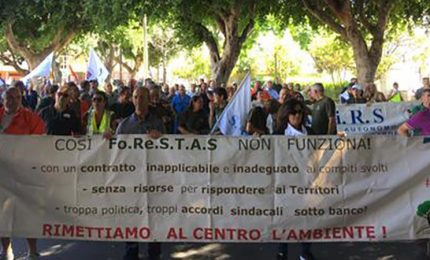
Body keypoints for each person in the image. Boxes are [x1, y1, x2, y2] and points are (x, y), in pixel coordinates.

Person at [116, 87, 164, 260]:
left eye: (142, 97)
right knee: (131, 217)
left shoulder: (158, 123)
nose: (138, 100)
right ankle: (131, 252)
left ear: (148, 99)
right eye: (135, 97)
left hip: (153, 179)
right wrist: (108, 140)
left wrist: (161, 138)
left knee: (154, 217)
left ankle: (154, 253)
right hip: (131, 180)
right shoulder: (124, 125)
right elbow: (116, 154)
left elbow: (169, 151)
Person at [0, 87, 45, 260]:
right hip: (2, 175)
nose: (13, 100)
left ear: (21, 99)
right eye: (9, 97)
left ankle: (32, 251)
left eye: (17, 97)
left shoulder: (30, 117)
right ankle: (7, 250)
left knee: (27, 214)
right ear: (4, 98)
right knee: (3, 214)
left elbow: (41, 141)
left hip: (24, 174)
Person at [276, 98, 313, 260]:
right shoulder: (279, 134)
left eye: (299, 112)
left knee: (307, 217)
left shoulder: (311, 132)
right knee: (284, 218)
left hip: (307, 182)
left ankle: (305, 252)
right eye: (293, 113)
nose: (296, 116)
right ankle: (282, 251)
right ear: (286, 114)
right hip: (285, 182)